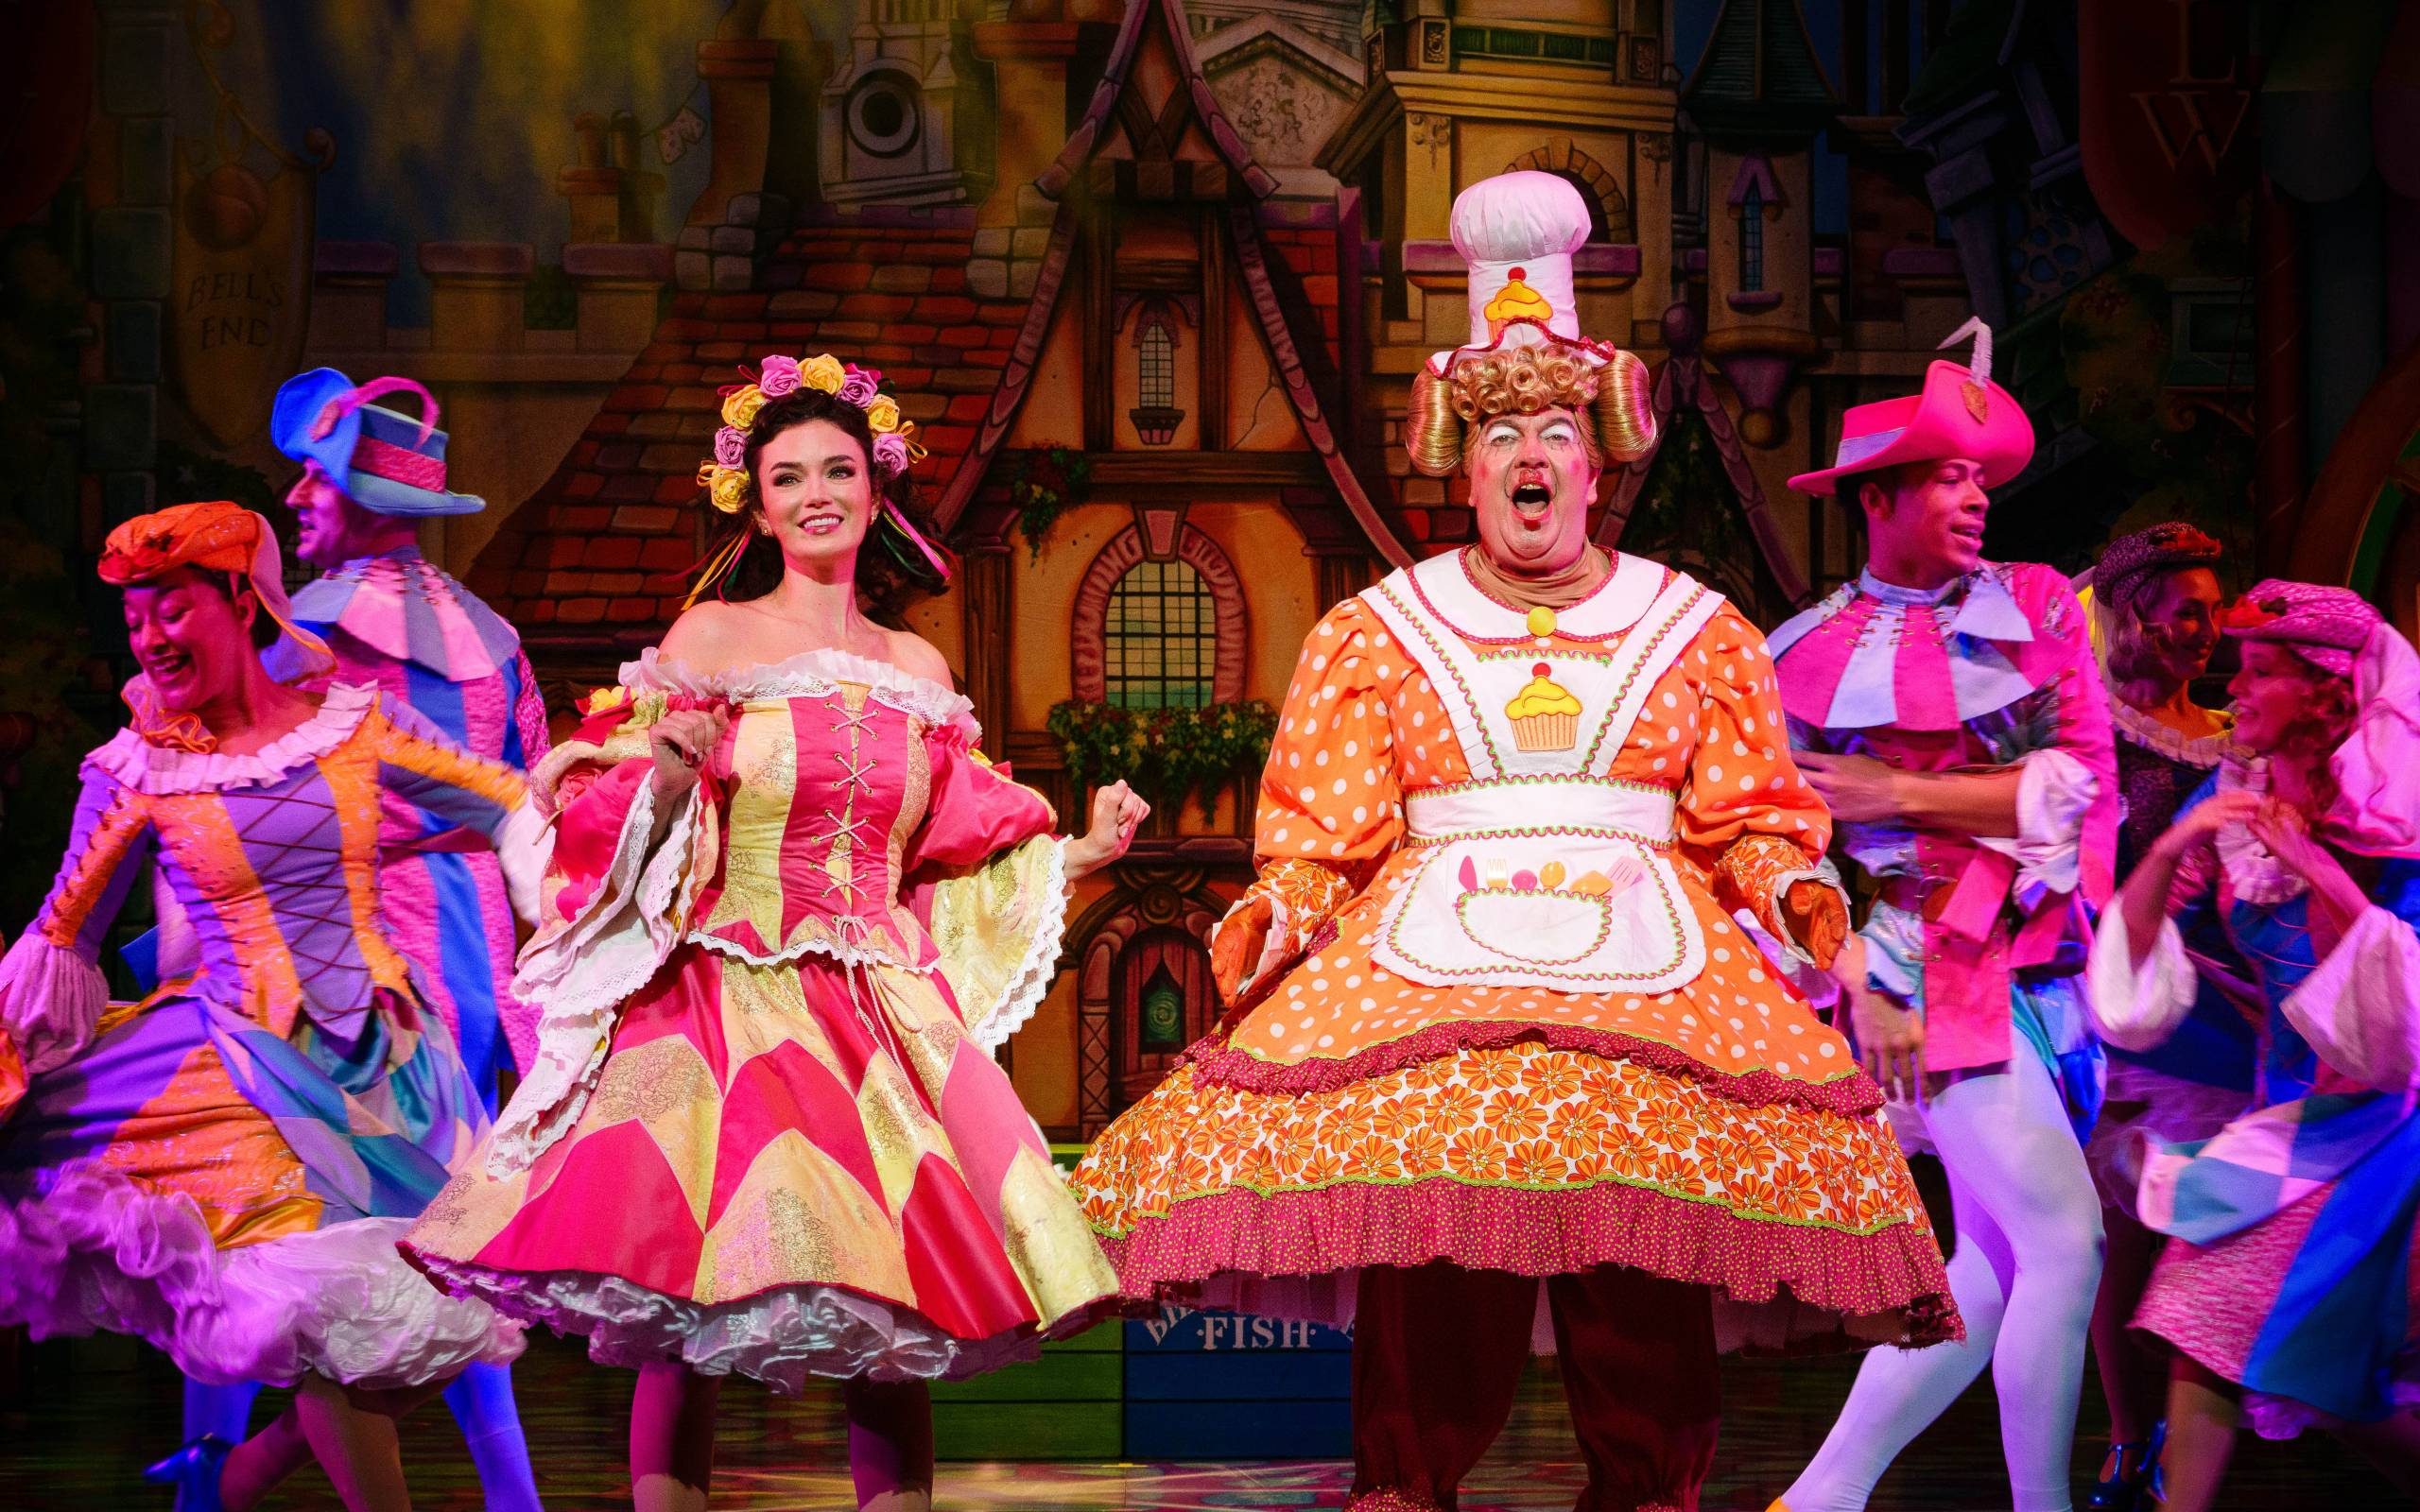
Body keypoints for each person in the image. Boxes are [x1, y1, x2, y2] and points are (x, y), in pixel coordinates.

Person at [1069, 172, 1956, 1512]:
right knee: (1435, 1252)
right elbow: (1324, 834)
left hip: (1652, 988)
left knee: (1643, 1269)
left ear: (1594, 462)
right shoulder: (1378, 631)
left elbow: (1750, 818)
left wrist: (1799, 896)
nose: (1528, 456)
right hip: (1433, 987)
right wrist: (1282, 909)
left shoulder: (1694, 626)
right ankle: (1405, 1492)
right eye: (1500, 435)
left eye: (1554, 430)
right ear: (1467, 465)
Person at [403, 352, 1149, 1512]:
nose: (815, 494)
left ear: (875, 491)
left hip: (875, 1011)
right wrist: (664, 773)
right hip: (722, 994)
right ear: (755, 508)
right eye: (787, 477)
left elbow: (953, 833)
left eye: (837, 470)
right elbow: (617, 808)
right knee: (680, 1306)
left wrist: (1077, 851)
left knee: (895, 1307)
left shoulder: (918, 667)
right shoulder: (712, 635)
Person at [0, 501, 538, 1512]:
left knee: (427, 1328)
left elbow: (503, 799)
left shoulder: (353, 725)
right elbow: (61, 941)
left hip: (395, 1067)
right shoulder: (138, 772)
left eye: (173, 610)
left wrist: (584, 869)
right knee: (333, 1322)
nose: (152, 638)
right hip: (249, 1071)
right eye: (136, 620)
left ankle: (233, 1475)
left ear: (242, 601)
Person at [163, 370, 552, 1512]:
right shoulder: (496, 639)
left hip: (344, 971)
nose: (295, 497)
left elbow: (233, 791)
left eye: (316, 480)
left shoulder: (304, 640)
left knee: (267, 1245)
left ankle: (213, 1480)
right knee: (438, 1245)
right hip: (471, 960)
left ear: (370, 500)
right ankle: (506, 1493)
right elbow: (525, 795)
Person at [1765, 319, 2120, 1512]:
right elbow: (1771, 853)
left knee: (1993, 1270)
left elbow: (2079, 786)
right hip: (1921, 968)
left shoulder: (2036, 604)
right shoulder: (1804, 656)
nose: (1975, 498)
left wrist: (1902, 791)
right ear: (1877, 496)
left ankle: (1816, 1498)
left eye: (1980, 477)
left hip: (2044, 961)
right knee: (2063, 1244)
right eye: (1948, 477)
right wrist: (1853, 982)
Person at [2089, 579, 2420, 1510]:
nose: (2233, 690)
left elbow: (2405, 1013)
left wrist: (2320, 870)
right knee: (2223, 1335)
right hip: (2289, 1121)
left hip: (2388, 1126)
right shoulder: (2236, 796)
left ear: (2325, 690)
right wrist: (2169, 849)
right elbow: (2139, 956)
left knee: (2294, 1361)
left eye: (2261, 672)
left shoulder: (2398, 809)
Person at [2074, 523, 2254, 1511]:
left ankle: (2190, 1444)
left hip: (2224, 1009)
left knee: (2205, 1228)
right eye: (2188, 611)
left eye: (2214, 611)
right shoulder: (2086, 724)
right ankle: (2127, 1434)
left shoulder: (2228, 734)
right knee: (2119, 1236)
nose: (2207, 630)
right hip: (2126, 999)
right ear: (2133, 614)